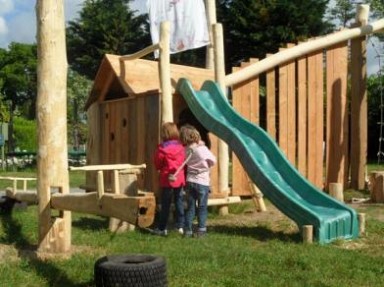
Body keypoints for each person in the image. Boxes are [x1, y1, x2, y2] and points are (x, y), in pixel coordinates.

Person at [180, 124, 216, 238]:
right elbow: (213, 161)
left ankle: (188, 231)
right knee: (202, 207)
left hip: (190, 181)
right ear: (196, 135)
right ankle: (201, 230)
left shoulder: (185, 150)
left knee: (190, 207)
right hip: (202, 182)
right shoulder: (202, 149)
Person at [153, 122, 186, 236]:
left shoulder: (162, 148)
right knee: (179, 202)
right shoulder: (181, 147)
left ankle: (162, 228)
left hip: (167, 178)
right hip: (179, 178)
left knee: (165, 204)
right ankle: (180, 226)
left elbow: (157, 163)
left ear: (164, 133)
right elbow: (183, 162)